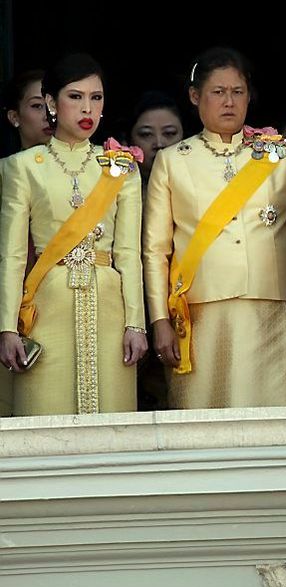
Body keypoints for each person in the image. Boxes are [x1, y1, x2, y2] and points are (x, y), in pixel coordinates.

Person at [143, 47, 286, 408]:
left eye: (237, 92)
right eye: (218, 92)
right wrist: (159, 319)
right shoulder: (173, 161)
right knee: (200, 413)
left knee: (265, 411)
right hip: (198, 310)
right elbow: (155, 250)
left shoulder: (280, 157)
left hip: (268, 305)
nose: (229, 102)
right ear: (195, 97)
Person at [0, 54, 146, 415]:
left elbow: (129, 253)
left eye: (96, 98)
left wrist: (136, 324)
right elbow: (13, 255)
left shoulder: (120, 167)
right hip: (45, 306)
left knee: (113, 426)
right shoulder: (23, 167)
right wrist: (6, 328)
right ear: (51, 103)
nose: (87, 108)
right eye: (75, 96)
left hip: (111, 308)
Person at [0, 69, 53, 415]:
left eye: (51, 104)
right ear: (14, 117)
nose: (48, 114)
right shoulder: (5, 172)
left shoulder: (97, 173)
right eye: (36, 106)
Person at [128, 91, 183, 192]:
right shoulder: (115, 195)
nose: (159, 144)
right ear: (127, 141)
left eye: (169, 133)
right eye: (146, 134)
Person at [4, 69, 53, 152]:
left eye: (54, 105)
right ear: (14, 117)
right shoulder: (7, 164)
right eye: (37, 106)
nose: (50, 115)